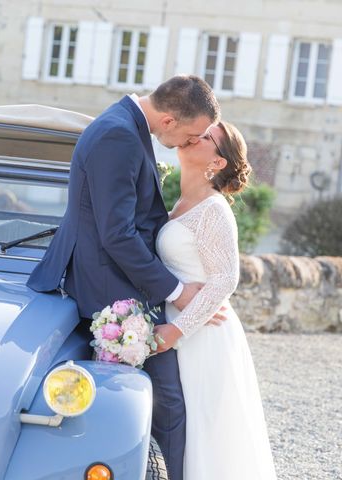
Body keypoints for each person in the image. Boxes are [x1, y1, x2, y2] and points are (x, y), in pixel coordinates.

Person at [27, 75, 220, 480]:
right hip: (111, 289)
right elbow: (117, 234)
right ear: (168, 120)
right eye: (191, 134)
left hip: (118, 281)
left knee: (153, 401)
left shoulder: (124, 127)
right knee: (165, 402)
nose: (190, 142)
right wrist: (176, 290)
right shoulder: (119, 136)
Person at [154, 121, 277, 479]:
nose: (195, 136)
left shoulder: (214, 209)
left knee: (206, 434)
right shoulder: (181, 202)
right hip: (181, 330)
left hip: (203, 337)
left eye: (206, 137)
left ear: (218, 162)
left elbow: (226, 277)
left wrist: (176, 331)